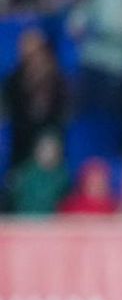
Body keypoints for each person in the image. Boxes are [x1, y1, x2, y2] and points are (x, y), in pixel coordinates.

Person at [3, 27, 70, 170]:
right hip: (21, 144)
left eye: (36, 53)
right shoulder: (13, 82)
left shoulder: (58, 82)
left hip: (51, 141)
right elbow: (10, 115)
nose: (33, 59)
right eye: (28, 55)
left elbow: (61, 117)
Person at [3, 133, 71, 214]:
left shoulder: (63, 176)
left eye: (52, 149)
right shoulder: (24, 172)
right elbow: (13, 199)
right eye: (44, 148)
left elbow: (64, 203)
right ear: (36, 150)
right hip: (24, 218)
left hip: (51, 220)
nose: (47, 153)